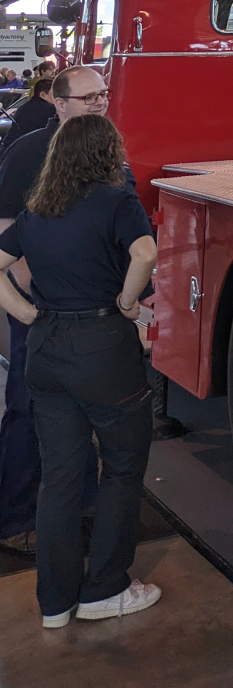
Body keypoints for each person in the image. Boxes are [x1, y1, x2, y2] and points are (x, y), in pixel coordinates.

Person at [0, 115, 159, 627]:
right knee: (120, 467)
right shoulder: (117, 203)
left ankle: (56, 603)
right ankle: (104, 590)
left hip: (45, 349)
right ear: (108, 154)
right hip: (102, 347)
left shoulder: (36, 211)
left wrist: (25, 313)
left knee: (61, 477)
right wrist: (130, 303)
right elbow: (145, 252)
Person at [0, 67, 111, 555]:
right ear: (58, 102)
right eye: (89, 97)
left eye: (104, 95)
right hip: (41, 308)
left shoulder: (105, 151)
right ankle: (17, 519)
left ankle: (80, 507)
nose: (99, 103)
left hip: (90, 309)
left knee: (82, 408)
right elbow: (8, 231)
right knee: (27, 408)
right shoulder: (28, 151)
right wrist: (31, 305)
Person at [1, 77, 57, 151]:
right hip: (29, 152)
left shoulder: (23, 107)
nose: (57, 98)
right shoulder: (50, 109)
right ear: (43, 94)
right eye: (55, 94)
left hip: (11, 150)